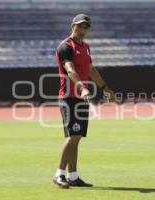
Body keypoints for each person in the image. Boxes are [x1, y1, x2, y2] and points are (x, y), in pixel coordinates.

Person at [53, 14, 115, 189]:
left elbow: (90, 69)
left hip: (81, 98)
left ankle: (73, 176)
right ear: (72, 26)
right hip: (69, 97)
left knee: (77, 137)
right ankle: (59, 175)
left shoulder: (86, 47)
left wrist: (105, 88)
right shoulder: (66, 47)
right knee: (72, 136)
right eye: (80, 26)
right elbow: (70, 70)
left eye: (86, 27)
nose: (83, 29)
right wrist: (82, 87)